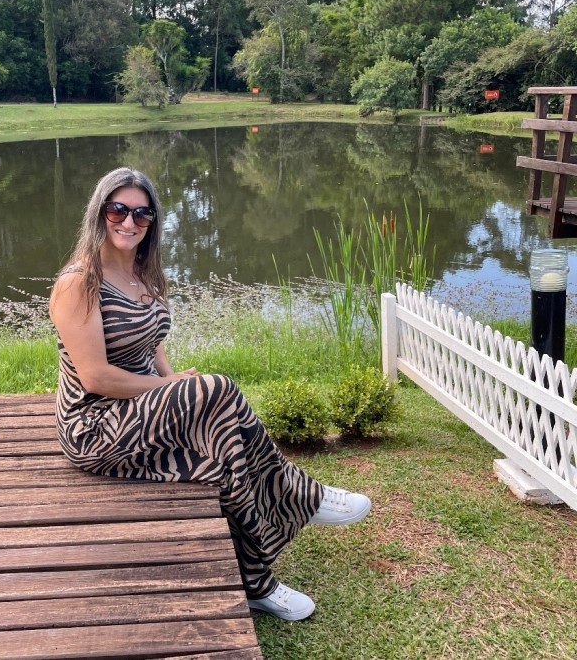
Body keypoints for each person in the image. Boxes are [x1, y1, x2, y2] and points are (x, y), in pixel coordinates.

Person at [49, 167, 371, 621]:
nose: (129, 221)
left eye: (142, 214)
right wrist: (171, 387)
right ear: (99, 213)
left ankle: (256, 583)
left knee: (221, 457)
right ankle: (302, 497)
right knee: (217, 389)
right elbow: (96, 377)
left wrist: (171, 377)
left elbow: (151, 340)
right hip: (96, 426)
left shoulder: (142, 274)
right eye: (118, 210)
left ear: (153, 221)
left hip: (141, 412)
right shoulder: (79, 283)